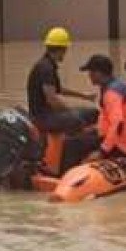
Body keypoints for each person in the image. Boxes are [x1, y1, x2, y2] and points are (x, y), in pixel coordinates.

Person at [26, 27, 99, 171]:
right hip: (42, 117)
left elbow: (59, 89)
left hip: (47, 114)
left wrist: (84, 96)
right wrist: (70, 112)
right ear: (61, 49)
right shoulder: (46, 68)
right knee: (76, 120)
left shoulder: (47, 65)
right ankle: (69, 161)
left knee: (92, 112)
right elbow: (52, 99)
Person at [81, 54, 126, 158]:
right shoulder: (116, 85)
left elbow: (118, 123)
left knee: (73, 145)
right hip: (122, 141)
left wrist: (103, 150)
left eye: (91, 72)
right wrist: (95, 128)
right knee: (82, 136)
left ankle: (61, 173)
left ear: (99, 73)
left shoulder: (112, 93)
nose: (89, 75)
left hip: (119, 146)